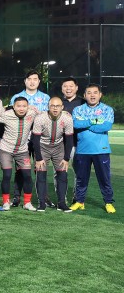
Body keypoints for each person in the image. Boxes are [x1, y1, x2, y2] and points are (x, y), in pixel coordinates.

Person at [71, 84, 115, 213]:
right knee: (81, 178)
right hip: (82, 150)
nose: (92, 95)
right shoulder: (78, 110)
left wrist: (86, 123)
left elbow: (106, 127)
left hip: (101, 150)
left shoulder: (107, 109)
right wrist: (93, 121)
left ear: (100, 95)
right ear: (85, 95)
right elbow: (76, 124)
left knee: (104, 178)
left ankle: (108, 202)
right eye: (89, 93)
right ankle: (80, 201)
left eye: (95, 92)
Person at [31, 96, 74, 212]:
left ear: (62, 107)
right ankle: (42, 203)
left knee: (62, 174)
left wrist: (66, 158)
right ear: (48, 107)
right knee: (41, 174)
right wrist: (38, 158)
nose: (55, 108)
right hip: (42, 146)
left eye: (58, 106)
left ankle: (61, 203)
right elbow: (35, 140)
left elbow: (69, 139)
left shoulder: (67, 118)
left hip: (58, 147)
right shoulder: (40, 118)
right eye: (52, 106)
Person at [0, 96, 38, 211]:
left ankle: (27, 203)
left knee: (27, 175)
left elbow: (45, 115)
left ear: (28, 107)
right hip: (6, 150)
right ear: (13, 107)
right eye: (18, 106)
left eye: (24, 106)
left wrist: (64, 113)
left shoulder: (32, 113)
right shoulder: (6, 115)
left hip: (22, 150)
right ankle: (6, 202)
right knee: (7, 175)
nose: (21, 108)